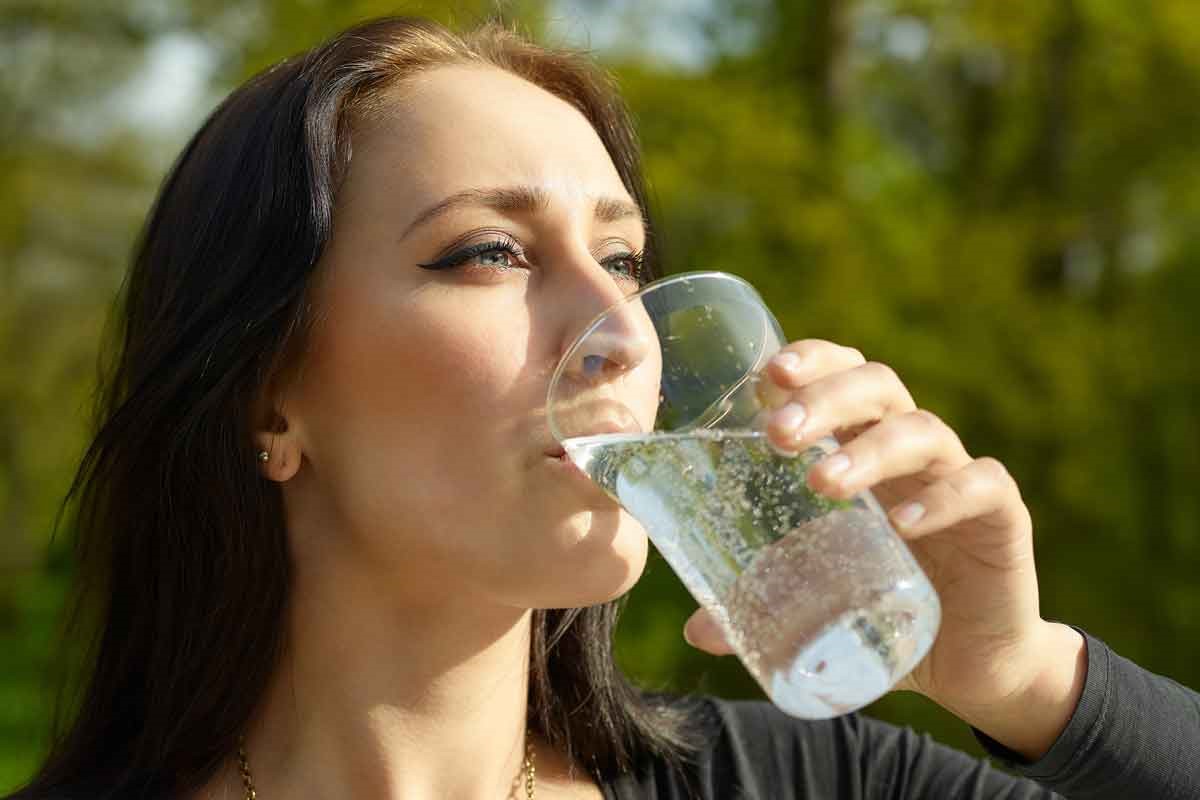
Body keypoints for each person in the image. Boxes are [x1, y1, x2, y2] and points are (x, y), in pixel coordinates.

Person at [8, 15, 1198, 800]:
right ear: (269, 397)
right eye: (488, 252)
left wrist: (1030, 678)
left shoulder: (811, 785)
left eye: (623, 260)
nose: (623, 331)